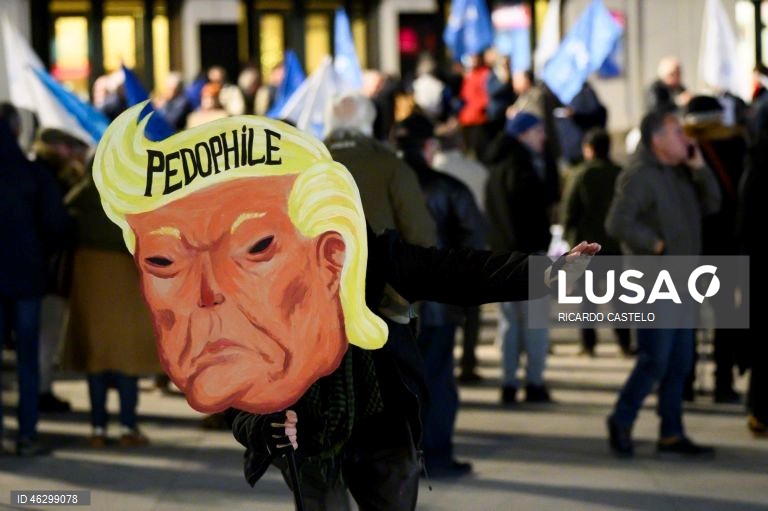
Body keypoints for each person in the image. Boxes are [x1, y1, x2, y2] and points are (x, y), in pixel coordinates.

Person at [91, 103, 601, 508]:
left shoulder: (364, 250)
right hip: (309, 440)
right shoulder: (215, 289)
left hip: (382, 428)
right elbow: (227, 387)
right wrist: (265, 428)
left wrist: (546, 273)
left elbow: (454, 271)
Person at [605, 107, 721, 458]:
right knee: (655, 358)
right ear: (656, 139)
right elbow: (617, 222)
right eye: (676, 133)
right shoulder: (639, 175)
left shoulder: (681, 172)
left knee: (681, 361)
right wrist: (656, 245)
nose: (685, 139)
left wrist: (701, 169)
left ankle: (671, 432)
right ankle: (622, 418)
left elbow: (713, 204)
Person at [395, 112, 486, 476]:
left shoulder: (383, 188)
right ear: (429, 147)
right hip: (438, 306)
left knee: (399, 382)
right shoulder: (450, 189)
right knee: (437, 381)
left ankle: (402, 456)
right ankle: (436, 456)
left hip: (391, 305)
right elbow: (474, 244)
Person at [61, 170, 159, 448]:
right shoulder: (133, 199)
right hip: (126, 286)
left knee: (97, 359)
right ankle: (128, 427)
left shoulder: (81, 199)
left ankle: (97, 429)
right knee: (127, 360)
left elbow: (64, 218)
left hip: (90, 286)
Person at [0, 103, 72, 456]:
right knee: (28, 359)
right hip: (28, 278)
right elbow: (58, 226)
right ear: (16, 131)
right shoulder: (33, 174)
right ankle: (27, 434)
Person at [485, 112, 559, 405]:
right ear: (523, 134)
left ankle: (508, 382)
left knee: (509, 322)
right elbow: (536, 209)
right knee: (536, 323)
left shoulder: (495, 166)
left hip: (502, 255)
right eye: (539, 130)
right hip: (529, 254)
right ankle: (535, 382)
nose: (544, 137)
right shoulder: (526, 166)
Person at [683, 96, 748, 404]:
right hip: (726, 244)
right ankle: (724, 383)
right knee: (725, 316)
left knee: (687, 317)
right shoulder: (738, 145)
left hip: (690, 245)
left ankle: (685, 381)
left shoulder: (683, 151)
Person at [324, 93, 436, 248]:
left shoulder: (306, 166)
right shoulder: (393, 166)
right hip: (379, 269)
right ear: (369, 123)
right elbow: (421, 237)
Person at [32, 128, 90, 413]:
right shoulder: (52, 179)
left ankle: (38, 390)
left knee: (38, 336)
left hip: (33, 269)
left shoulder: (38, 174)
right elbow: (59, 225)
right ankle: (40, 391)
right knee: (46, 335)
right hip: (48, 271)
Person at [561, 128, 631, 357]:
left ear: (589, 149)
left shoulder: (579, 174)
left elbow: (569, 212)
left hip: (587, 248)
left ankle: (588, 344)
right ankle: (624, 342)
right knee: (619, 300)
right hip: (614, 246)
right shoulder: (619, 173)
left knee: (588, 300)